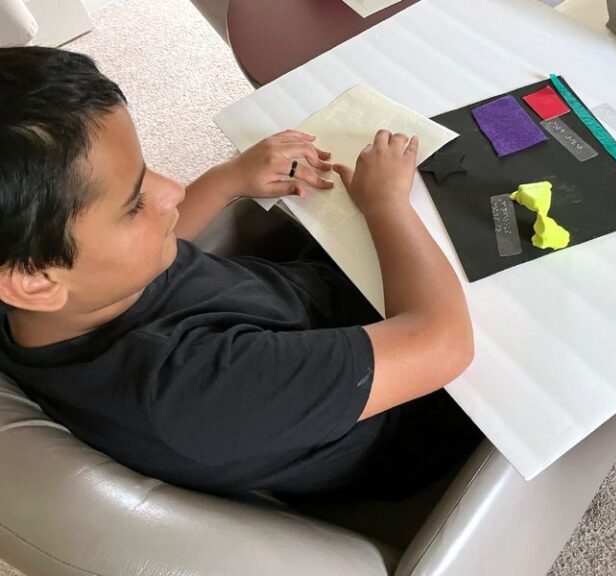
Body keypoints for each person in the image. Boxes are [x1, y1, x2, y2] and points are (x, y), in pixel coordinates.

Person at [0, 47, 482, 500]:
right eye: (133, 205)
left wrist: (226, 179)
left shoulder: (52, 302)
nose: (170, 191)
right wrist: (385, 204)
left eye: (147, 172)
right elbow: (444, 344)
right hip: (423, 410)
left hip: (321, 312)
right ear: (36, 281)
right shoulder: (193, 395)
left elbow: (135, 251)